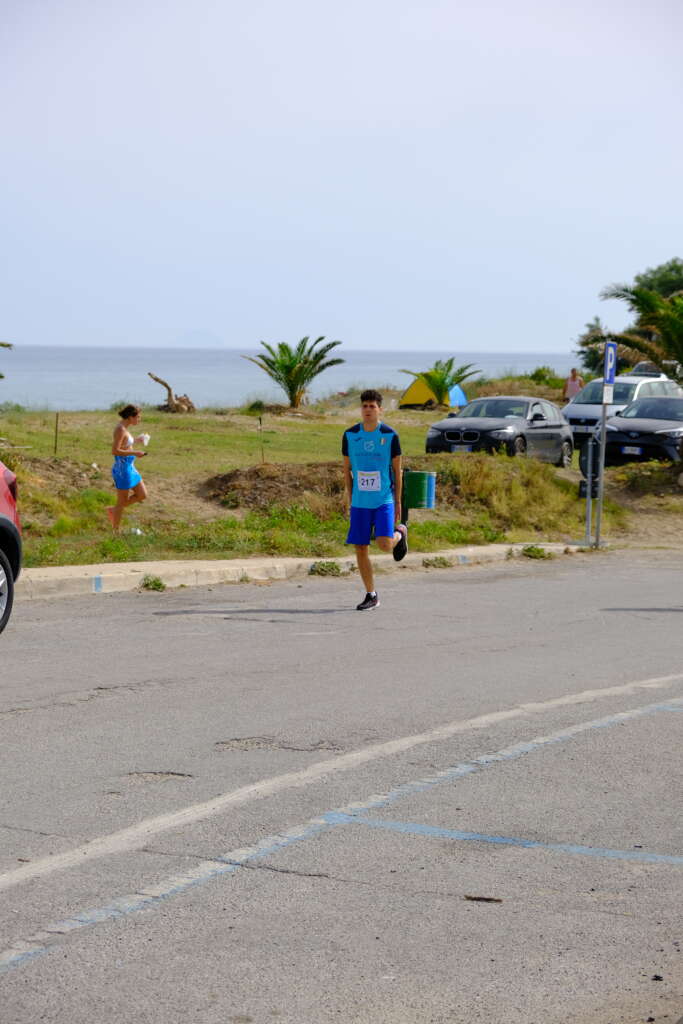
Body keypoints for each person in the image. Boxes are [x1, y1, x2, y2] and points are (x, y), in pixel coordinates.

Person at [342, 389, 408, 610]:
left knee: (384, 545)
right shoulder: (350, 435)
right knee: (360, 548)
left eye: (372, 406)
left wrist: (398, 501)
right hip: (360, 502)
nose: (368, 410)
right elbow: (346, 470)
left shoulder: (390, 435)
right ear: (361, 409)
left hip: (383, 500)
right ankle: (371, 594)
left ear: (380, 409)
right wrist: (350, 499)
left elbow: (398, 471)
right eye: (365, 406)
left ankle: (400, 533)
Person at [108, 404, 148, 532]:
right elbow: (115, 451)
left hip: (130, 468)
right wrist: (135, 452)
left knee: (142, 495)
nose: (139, 420)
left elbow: (125, 444)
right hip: (122, 471)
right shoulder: (120, 429)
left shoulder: (125, 428)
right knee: (121, 502)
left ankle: (114, 510)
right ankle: (115, 531)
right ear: (131, 417)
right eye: (138, 417)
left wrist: (137, 440)